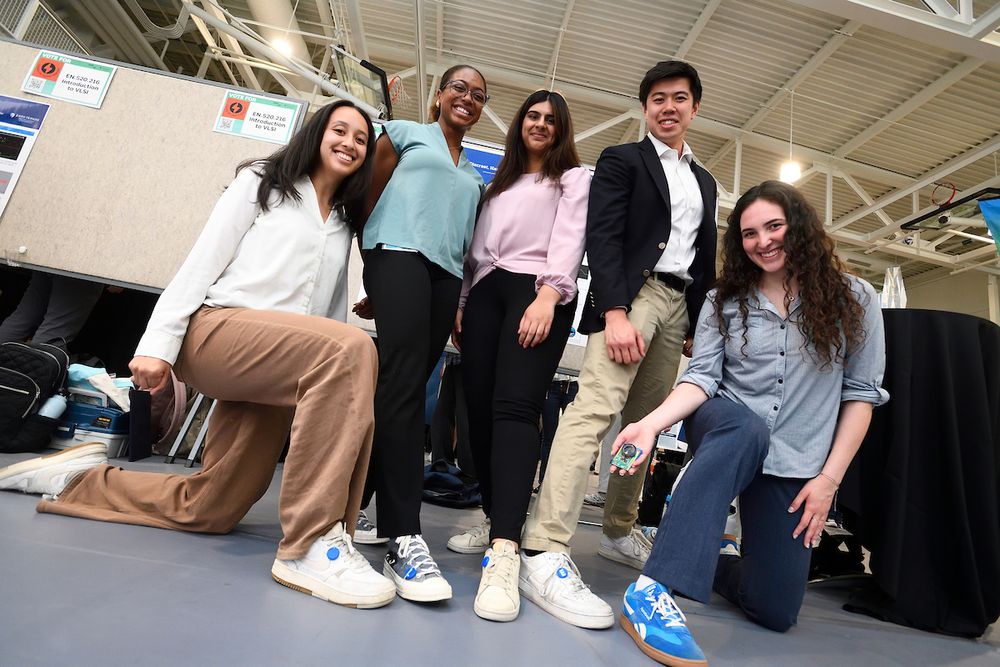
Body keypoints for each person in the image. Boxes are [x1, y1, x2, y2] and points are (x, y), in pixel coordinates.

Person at [0, 100, 398, 610]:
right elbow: (202, 259)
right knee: (353, 346)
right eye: (339, 130)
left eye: (361, 139)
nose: (349, 142)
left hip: (285, 360)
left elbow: (328, 310)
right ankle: (312, 542)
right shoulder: (265, 182)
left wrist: (327, 389)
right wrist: (156, 347)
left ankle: (74, 478)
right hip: (219, 333)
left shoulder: (343, 221)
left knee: (212, 507)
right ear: (316, 134)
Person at [613, 181, 888, 665]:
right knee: (746, 430)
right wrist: (650, 425)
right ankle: (652, 592)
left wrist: (828, 480)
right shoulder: (724, 301)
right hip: (725, 421)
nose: (762, 241)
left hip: (794, 458)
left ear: (799, 227)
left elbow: (860, 396)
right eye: (749, 233)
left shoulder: (856, 299)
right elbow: (699, 380)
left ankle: (716, 563)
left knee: (776, 609)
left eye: (774, 226)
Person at [517, 60, 718, 629]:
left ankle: (617, 528)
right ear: (645, 108)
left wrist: (700, 323)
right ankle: (546, 544)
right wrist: (614, 310)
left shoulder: (705, 181)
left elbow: (704, 258)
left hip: (680, 306)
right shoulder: (621, 160)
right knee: (594, 411)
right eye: (657, 98)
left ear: (695, 107)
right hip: (634, 297)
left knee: (647, 424)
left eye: (679, 98)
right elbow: (601, 236)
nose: (668, 107)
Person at [445, 90, 589, 621]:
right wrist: (463, 304)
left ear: (562, 129)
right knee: (477, 409)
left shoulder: (572, 179)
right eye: (533, 115)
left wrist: (548, 296)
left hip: (537, 292)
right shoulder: (497, 185)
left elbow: (570, 239)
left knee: (514, 409)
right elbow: (474, 252)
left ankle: (505, 548)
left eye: (552, 119)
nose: (541, 124)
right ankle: (494, 513)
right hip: (485, 294)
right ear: (519, 123)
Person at [358, 64, 488, 602]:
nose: (468, 98)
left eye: (478, 95)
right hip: (400, 255)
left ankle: (361, 505)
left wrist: (458, 302)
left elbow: (463, 243)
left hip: (444, 277)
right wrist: (377, 265)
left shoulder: (476, 177)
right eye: (459, 87)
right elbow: (367, 197)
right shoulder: (406, 135)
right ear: (438, 96)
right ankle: (402, 533)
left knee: (405, 390)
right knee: (404, 389)